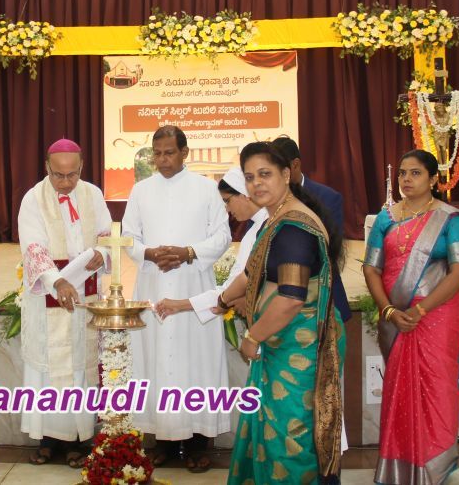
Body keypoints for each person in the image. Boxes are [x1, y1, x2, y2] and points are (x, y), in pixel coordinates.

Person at [219, 142, 345, 484]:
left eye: (265, 174)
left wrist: (252, 337)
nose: (256, 183)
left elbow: (290, 298)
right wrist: (223, 299)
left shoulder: (294, 229)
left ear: (286, 174)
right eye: (249, 177)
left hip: (298, 349)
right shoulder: (276, 219)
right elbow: (252, 272)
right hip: (281, 345)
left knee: (291, 440)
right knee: (270, 435)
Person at [363, 149, 459, 485]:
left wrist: (420, 310)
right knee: (400, 391)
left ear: (433, 179)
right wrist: (389, 311)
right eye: (402, 173)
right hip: (396, 318)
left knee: (436, 388)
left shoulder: (450, 220)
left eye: (415, 173)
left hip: (438, 318)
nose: (406, 179)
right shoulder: (385, 218)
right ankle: (399, 465)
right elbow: (371, 268)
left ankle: (435, 466)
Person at [122, 125, 231, 472]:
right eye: (157, 153)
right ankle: (163, 443)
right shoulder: (141, 190)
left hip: (192, 285)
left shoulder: (206, 188)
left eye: (169, 153)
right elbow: (128, 236)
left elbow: (222, 236)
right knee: (155, 359)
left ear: (185, 152)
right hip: (153, 284)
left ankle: (197, 444)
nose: (162, 160)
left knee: (195, 362)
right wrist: (149, 253)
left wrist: (188, 252)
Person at [17, 138, 112, 467]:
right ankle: (48, 439)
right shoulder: (33, 198)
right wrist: (56, 281)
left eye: (73, 175)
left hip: (85, 293)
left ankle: (79, 439)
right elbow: (33, 246)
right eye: (59, 175)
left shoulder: (93, 194)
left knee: (80, 366)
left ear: (81, 167)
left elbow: (108, 236)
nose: (67, 182)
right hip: (49, 293)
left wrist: (102, 252)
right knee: (48, 366)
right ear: (47, 167)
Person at [154, 163, 266, 321]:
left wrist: (181, 304)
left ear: (244, 194)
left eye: (227, 201)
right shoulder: (252, 232)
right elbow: (231, 286)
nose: (227, 209)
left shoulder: (269, 225)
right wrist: (179, 305)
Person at [270, 136, 351, 322]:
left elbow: (331, 251)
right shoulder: (265, 200)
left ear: (295, 164)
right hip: (276, 301)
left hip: (323, 301)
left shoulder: (327, 198)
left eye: (279, 170)